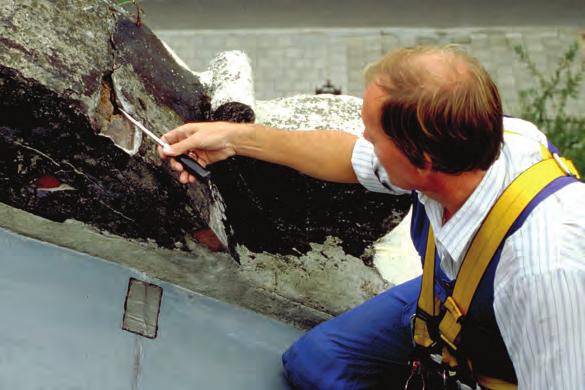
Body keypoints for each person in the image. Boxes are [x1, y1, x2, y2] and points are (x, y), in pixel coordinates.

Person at [158, 46, 585, 389]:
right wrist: (235, 138)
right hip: (456, 294)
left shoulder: (544, 273)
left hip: (515, 338)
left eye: (373, 133)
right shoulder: (473, 146)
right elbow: (349, 157)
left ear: (421, 162)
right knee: (316, 362)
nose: (362, 139)